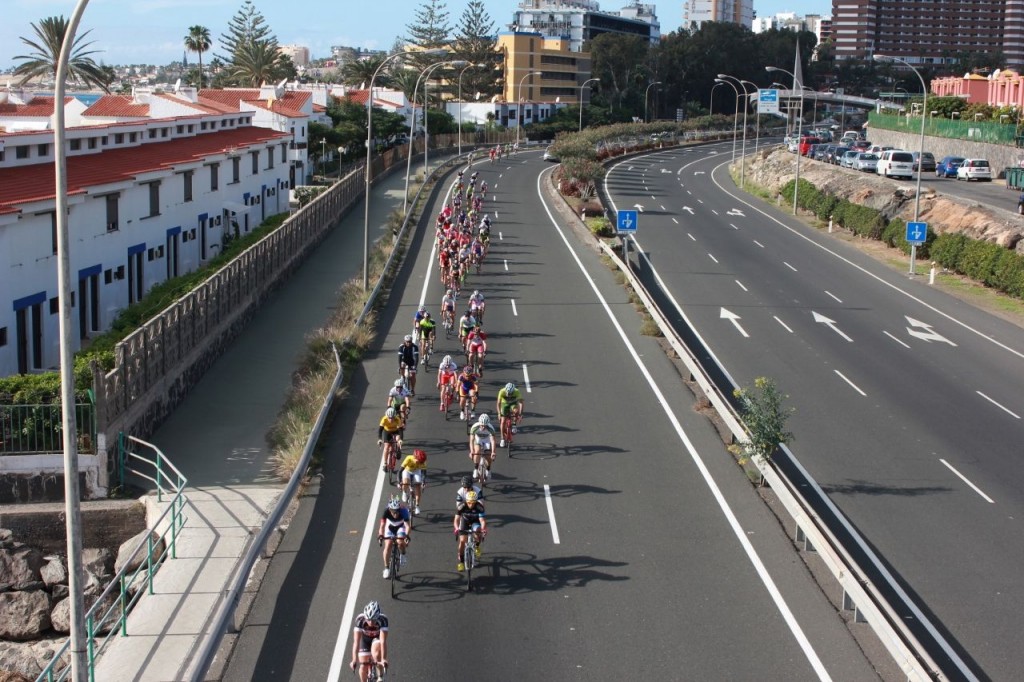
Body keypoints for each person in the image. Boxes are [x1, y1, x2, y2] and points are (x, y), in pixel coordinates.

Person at [350, 601, 389, 681]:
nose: (371, 622)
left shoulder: (383, 620)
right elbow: (356, 642)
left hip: (377, 639)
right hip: (365, 640)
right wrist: (354, 660)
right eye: (368, 620)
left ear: (378, 617)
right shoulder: (360, 619)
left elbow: (383, 641)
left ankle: (380, 677)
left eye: (374, 620)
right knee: (363, 666)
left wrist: (383, 659)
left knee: (377, 655)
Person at [377, 496, 411, 578]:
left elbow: (407, 526)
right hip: (390, 526)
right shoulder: (386, 511)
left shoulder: (404, 511)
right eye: (393, 512)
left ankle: (402, 554)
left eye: (397, 511)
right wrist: (381, 536)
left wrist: (406, 536)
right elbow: (382, 526)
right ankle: (386, 568)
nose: (395, 514)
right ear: (389, 510)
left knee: (400, 542)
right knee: (388, 544)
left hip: (401, 526)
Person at [454, 490, 486, 572]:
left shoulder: (480, 507)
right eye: (469, 502)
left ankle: (477, 546)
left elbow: (482, 520)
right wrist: (457, 528)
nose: (471, 505)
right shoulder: (461, 506)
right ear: (466, 501)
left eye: (473, 502)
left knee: (477, 532)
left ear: (476, 501)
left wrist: (483, 529)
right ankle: (461, 562)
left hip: (475, 521)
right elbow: (456, 519)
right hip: (465, 521)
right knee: (462, 541)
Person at [468, 413, 495, 482]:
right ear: (479, 423)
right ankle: (476, 469)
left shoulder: (491, 428)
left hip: (487, 439)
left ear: (487, 424)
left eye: (485, 426)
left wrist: (493, 452)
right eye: (482, 425)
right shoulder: (474, 427)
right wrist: (471, 451)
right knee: (477, 451)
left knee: (488, 456)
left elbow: (492, 441)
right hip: (478, 439)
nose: (483, 427)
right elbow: (471, 440)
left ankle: (488, 469)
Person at [496, 382, 524, 448]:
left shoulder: (517, 391)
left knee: (516, 411)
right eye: (508, 394)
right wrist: (499, 413)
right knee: (502, 421)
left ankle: (514, 424)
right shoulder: (502, 391)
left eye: (511, 394)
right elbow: (498, 404)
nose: (509, 395)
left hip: (513, 403)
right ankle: (502, 438)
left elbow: (521, 403)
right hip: (504, 404)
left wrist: (520, 414)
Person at [400, 449, 428, 515]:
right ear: (415, 458)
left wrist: (423, 482)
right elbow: (400, 471)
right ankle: (404, 492)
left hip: (416, 471)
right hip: (407, 470)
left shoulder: (423, 462)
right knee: (406, 482)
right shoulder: (408, 458)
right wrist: (399, 482)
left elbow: (424, 473)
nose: (419, 463)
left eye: (421, 462)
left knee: (418, 486)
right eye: (418, 461)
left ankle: (417, 506)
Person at [377, 407, 404, 472]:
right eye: (389, 418)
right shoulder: (384, 419)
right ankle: (385, 464)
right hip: (387, 432)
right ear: (387, 416)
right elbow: (380, 430)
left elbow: (400, 430)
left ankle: (398, 449)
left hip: (396, 431)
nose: (391, 419)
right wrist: (380, 439)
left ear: (394, 416)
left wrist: (400, 440)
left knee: (398, 439)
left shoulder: (397, 419)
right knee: (386, 447)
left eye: (392, 418)